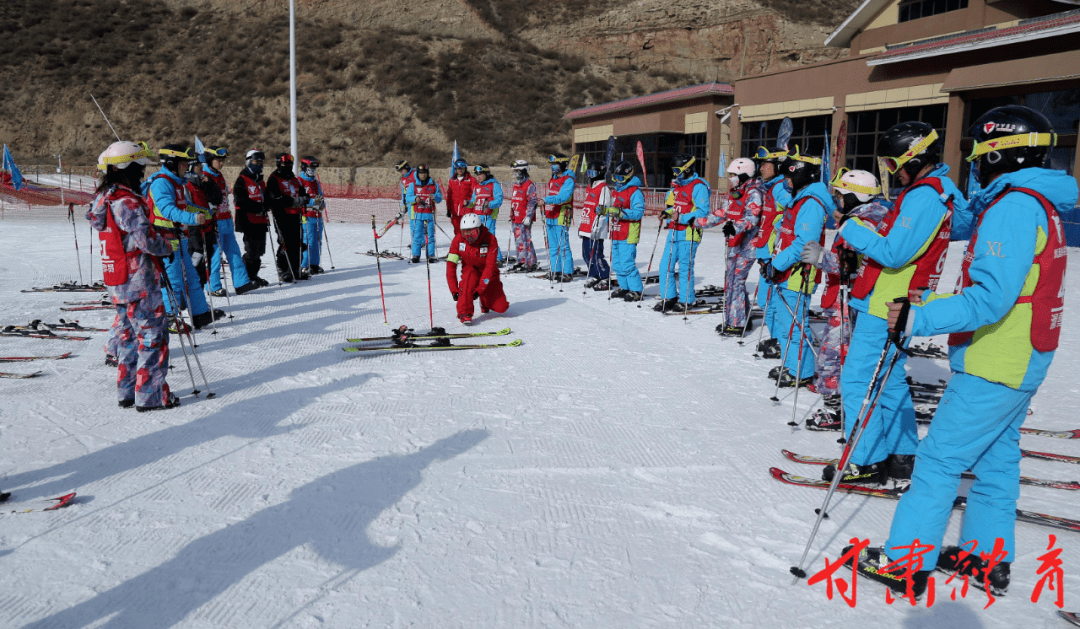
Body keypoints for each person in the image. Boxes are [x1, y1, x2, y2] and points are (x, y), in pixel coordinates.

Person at [850, 105, 1076, 599]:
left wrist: (919, 317)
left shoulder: (1014, 208)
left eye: (975, 152)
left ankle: (905, 564)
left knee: (939, 461)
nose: (972, 163)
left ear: (997, 153)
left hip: (997, 360)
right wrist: (927, 303)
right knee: (996, 460)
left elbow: (990, 298)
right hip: (1022, 356)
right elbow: (1014, 290)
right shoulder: (1037, 202)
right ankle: (985, 558)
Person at [823, 122, 966, 485]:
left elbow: (894, 252)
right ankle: (903, 454)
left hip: (887, 300)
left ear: (912, 158)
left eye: (891, 163)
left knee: (857, 381)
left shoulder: (924, 196)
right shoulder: (938, 190)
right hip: (899, 299)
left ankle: (866, 460)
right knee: (889, 381)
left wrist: (851, 228)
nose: (890, 172)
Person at [88, 141, 178, 411]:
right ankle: (150, 396)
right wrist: (167, 245)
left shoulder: (105, 198)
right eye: (139, 167)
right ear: (127, 168)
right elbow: (144, 239)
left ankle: (127, 391)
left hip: (118, 279)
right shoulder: (126, 201)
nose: (142, 173)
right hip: (138, 281)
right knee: (152, 337)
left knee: (127, 337)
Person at [800, 169, 889, 431]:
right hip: (853, 296)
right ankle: (842, 402)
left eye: (841, 195)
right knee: (841, 352)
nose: (838, 200)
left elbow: (856, 264)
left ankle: (836, 409)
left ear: (855, 195)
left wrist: (821, 258)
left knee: (833, 354)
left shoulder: (864, 223)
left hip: (853, 298)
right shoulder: (865, 216)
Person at [765, 147, 831, 387]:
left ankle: (801, 372)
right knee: (785, 324)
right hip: (784, 272)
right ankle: (791, 365)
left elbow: (805, 243)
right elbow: (787, 232)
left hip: (797, 274)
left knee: (794, 326)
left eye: (789, 177)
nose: (785, 181)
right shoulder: (798, 200)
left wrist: (777, 263)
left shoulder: (812, 204)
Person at [143, 145, 216, 329]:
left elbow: (184, 206)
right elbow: (168, 210)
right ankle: (169, 317)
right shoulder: (161, 183)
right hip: (165, 238)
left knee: (192, 277)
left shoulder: (177, 183)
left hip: (179, 237)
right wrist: (192, 218)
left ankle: (200, 314)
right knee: (174, 279)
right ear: (172, 163)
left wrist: (203, 212)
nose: (187, 167)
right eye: (184, 164)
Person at [655, 154, 710, 311]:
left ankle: (687, 300)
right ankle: (669, 296)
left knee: (685, 268)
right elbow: (678, 207)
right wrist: (667, 213)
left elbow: (703, 212)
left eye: (678, 170)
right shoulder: (679, 186)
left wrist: (682, 217)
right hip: (674, 231)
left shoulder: (699, 186)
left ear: (688, 168)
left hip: (689, 233)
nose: (675, 174)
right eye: (674, 170)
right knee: (665, 265)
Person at [751, 146, 791, 356]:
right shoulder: (768, 187)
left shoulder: (778, 188)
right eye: (760, 164)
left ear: (778, 166)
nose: (761, 168)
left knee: (772, 300)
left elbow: (793, 212)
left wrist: (778, 225)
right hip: (764, 249)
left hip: (772, 251)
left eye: (765, 164)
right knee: (766, 300)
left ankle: (781, 341)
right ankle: (778, 338)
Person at [717, 158, 764, 336]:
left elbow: (752, 217)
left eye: (733, 175)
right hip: (735, 242)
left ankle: (737, 324)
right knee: (731, 281)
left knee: (736, 281)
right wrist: (695, 221)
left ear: (744, 174)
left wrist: (735, 226)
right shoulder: (737, 191)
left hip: (748, 244)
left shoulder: (754, 192)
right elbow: (723, 212)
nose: (730, 178)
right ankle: (738, 316)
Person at [203, 146, 257, 295]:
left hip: (225, 219)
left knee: (234, 252)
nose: (221, 163)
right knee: (215, 255)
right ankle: (213, 286)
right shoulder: (204, 176)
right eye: (218, 160)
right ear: (209, 160)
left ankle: (241, 283)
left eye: (222, 160)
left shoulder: (219, 176)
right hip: (214, 221)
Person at [446, 213, 510, 325]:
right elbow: (451, 266)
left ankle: (484, 301)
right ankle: (464, 313)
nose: (469, 237)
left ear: (480, 229)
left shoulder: (490, 240)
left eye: (473, 233)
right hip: (470, 269)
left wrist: (480, 289)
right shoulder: (458, 241)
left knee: (501, 307)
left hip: (489, 273)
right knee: (467, 281)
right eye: (466, 234)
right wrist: (454, 289)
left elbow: (490, 267)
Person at [604, 161, 646, 300]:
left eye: (620, 178)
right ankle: (624, 286)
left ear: (628, 176)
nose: (617, 181)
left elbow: (638, 213)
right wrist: (604, 211)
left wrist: (620, 213)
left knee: (627, 262)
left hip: (628, 233)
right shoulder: (616, 191)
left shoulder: (635, 192)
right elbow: (613, 209)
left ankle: (636, 290)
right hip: (616, 232)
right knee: (616, 263)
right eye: (615, 178)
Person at [265, 153, 308, 281]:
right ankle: (283, 269)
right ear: (279, 164)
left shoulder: (294, 179)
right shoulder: (274, 178)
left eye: (290, 164)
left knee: (297, 242)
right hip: (282, 215)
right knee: (285, 242)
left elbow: (302, 192)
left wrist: (305, 198)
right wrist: (293, 201)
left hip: (296, 214)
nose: (288, 167)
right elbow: (275, 198)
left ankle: (295, 268)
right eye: (285, 165)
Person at [233, 150, 271, 287]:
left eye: (261, 162)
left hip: (260, 221)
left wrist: (267, 204)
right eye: (256, 162)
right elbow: (240, 200)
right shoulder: (242, 179)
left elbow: (265, 198)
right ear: (249, 162)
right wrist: (258, 207)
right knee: (252, 251)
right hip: (248, 220)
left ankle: (253, 275)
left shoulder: (260, 181)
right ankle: (246, 276)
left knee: (260, 251)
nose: (259, 164)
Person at [578, 160, 611, 288]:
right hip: (586, 226)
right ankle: (594, 275)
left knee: (596, 254)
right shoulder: (589, 187)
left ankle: (604, 276)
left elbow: (603, 210)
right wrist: (581, 224)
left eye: (592, 173)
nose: (590, 175)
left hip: (596, 228)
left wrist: (597, 227)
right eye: (588, 173)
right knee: (586, 254)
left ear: (599, 173)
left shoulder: (603, 189)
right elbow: (587, 206)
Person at [542, 153, 576, 281]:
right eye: (552, 164)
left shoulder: (568, 179)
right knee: (553, 244)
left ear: (562, 164)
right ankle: (555, 269)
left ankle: (567, 271)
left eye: (555, 164)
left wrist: (545, 200)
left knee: (563, 244)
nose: (553, 167)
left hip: (562, 214)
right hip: (551, 214)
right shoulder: (554, 178)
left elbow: (563, 197)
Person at [404, 164, 443, 263]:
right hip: (418, 214)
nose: (423, 175)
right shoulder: (413, 184)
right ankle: (416, 255)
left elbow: (439, 197)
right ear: (418, 174)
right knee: (417, 235)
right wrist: (415, 199)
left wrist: (435, 197)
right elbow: (408, 198)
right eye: (421, 173)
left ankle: (430, 255)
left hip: (429, 214)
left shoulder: (433, 184)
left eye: (424, 173)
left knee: (430, 236)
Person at [467, 164, 504, 263]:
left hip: (489, 215)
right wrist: (468, 203)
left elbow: (499, 199)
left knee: (490, 238)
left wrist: (490, 204)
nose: (478, 176)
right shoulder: (477, 186)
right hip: (478, 216)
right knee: (479, 238)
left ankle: (497, 258)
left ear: (486, 173)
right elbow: (474, 201)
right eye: (477, 175)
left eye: (480, 174)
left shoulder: (493, 184)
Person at [508, 160, 539, 272]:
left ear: (524, 171)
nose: (515, 173)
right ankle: (521, 260)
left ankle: (531, 262)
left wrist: (529, 216)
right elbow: (515, 200)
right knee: (518, 240)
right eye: (514, 171)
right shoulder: (516, 184)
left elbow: (532, 201)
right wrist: (512, 212)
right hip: (516, 217)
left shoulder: (529, 185)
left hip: (524, 218)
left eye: (517, 171)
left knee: (526, 239)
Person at [298, 156, 326, 274]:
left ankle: (314, 264)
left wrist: (321, 204)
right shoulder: (299, 181)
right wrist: (312, 202)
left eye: (314, 167)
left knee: (317, 240)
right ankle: (304, 264)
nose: (312, 170)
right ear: (304, 167)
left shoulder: (315, 181)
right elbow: (299, 198)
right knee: (308, 240)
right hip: (306, 215)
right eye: (310, 167)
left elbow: (320, 195)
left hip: (317, 216)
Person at [445, 159, 476, 236]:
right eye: (458, 168)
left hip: (467, 209)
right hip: (455, 210)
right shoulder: (452, 180)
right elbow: (449, 196)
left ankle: (468, 246)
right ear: (455, 169)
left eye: (462, 168)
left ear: (465, 168)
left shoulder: (471, 180)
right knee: (457, 230)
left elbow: (475, 194)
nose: (460, 170)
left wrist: (470, 202)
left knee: (467, 230)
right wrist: (448, 209)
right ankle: (459, 246)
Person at [396, 159, 416, 248]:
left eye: (402, 170)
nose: (401, 172)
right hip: (410, 203)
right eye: (400, 171)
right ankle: (415, 241)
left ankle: (422, 240)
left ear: (406, 167)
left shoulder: (415, 173)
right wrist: (403, 203)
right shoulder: (403, 179)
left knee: (419, 223)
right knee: (412, 224)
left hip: (418, 202)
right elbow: (403, 191)